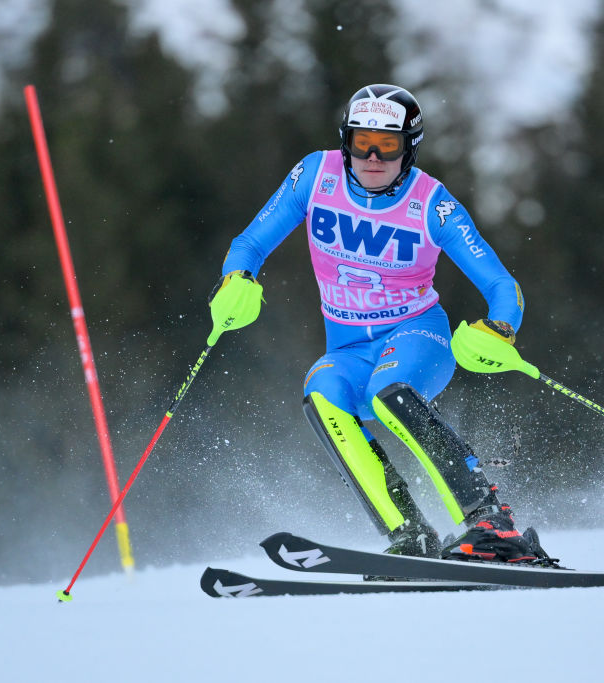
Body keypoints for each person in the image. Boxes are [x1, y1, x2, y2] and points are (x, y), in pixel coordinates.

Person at [208, 84, 547, 563]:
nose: (371, 155)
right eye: (360, 140)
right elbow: (249, 244)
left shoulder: (432, 202)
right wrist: (235, 280)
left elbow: (500, 284)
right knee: (322, 394)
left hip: (416, 335)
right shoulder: (314, 175)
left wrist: (501, 328)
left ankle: (491, 522)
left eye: (387, 145)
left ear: (409, 147)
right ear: (344, 140)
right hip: (347, 350)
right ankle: (409, 533)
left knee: (391, 394)